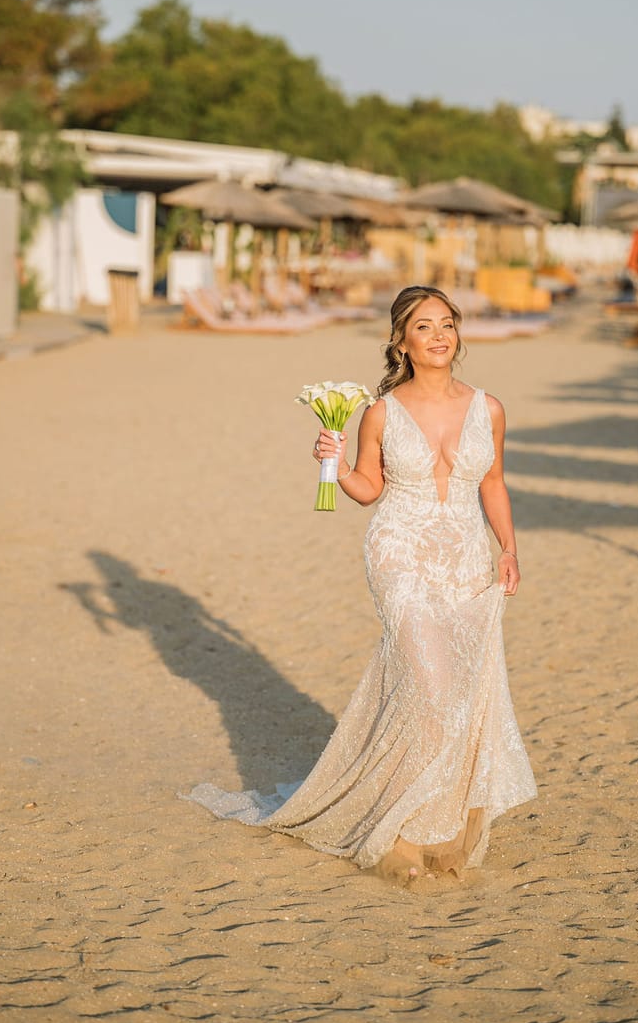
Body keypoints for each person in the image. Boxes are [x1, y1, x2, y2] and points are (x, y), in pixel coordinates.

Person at [189, 286, 536, 883]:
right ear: (401, 341)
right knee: (429, 685)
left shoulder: (490, 408)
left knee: (460, 691)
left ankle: (443, 822)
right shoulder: (381, 412)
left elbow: (494, 482)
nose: (438, 335)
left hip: (468, 559)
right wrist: (332, 462)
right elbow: (367, 489)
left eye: (447, 323)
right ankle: (397, 832)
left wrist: (508, 548)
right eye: (423, 327)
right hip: (399, 552)